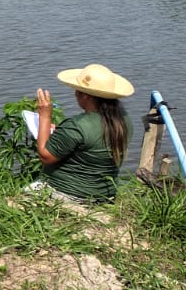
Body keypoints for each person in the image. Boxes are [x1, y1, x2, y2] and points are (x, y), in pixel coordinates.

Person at [31, 63, 134, 203]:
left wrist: (44, 116)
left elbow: (45, 156)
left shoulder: (77, 126)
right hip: (105, 195)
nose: (75, 94)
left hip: (70, 194)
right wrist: (61, 133)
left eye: (77, 90)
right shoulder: (123, 120)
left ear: (86, 96)